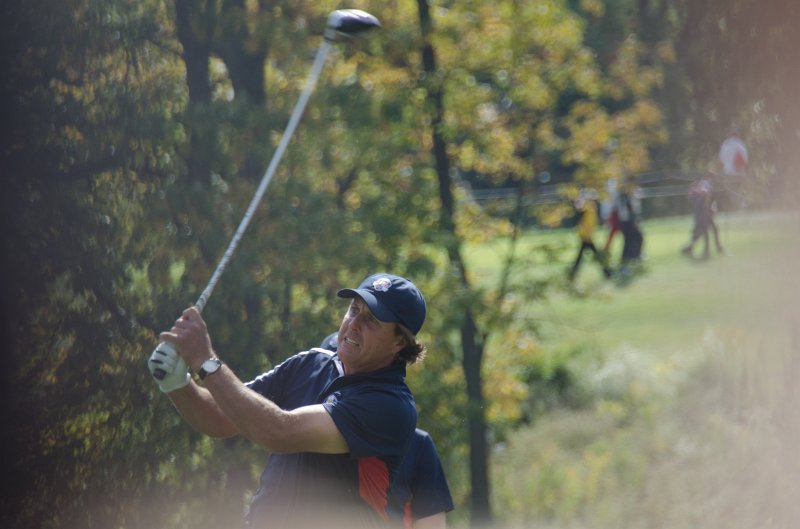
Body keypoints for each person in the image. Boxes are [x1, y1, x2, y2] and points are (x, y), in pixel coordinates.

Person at [148, 273, 428, 529]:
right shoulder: (310, 364)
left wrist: (206, 361)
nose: (354, 325)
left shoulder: (391, 405)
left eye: (372, 321)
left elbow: (279, 432)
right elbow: (222, 417)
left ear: (399, 343)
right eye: (354, 310)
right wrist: (176, 383)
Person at [319, 334, 454, 529]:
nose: (346, 377)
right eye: (338, 368)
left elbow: (431, 524)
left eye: (358, 369)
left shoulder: (417, 444)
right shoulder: (299, 440)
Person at [568, 192, 612, 282]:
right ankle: (607, 273)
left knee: (581, 257)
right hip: (586, 237)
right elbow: (586, 223)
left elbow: (589, 224)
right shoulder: (589, 209)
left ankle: (573, 273)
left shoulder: (590, 209)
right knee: (592, 257)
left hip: (587, 237)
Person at [682, 172, 725, 259]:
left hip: (704, 212)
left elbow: (709, 198)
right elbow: (705, 195)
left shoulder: (703, 185)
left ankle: (714, 249)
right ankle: (705, 251)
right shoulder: (704, 184)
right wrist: (706, 209)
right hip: (703, 213)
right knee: (703, 232)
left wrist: (712, 208)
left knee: (709, 230)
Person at [615, 176, 645, 275]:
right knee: (630, 242)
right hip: (627, 222)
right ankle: (625, 265)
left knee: (637, 239)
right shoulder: (624, 194)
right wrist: (634, 221)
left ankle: (634, 258)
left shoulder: (627, 193)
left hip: (628, 221)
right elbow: (628, 209)